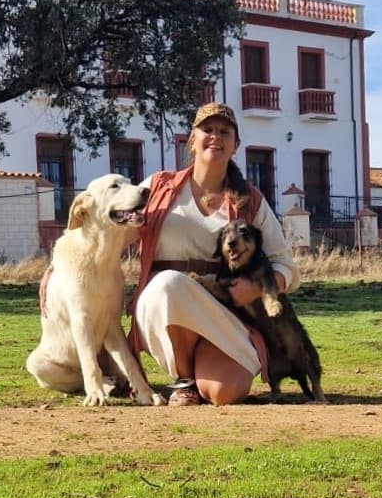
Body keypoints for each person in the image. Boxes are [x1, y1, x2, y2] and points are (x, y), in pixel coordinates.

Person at [128, 101, 300, 406]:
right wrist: (59, 266)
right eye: (207, 129)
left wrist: (258, 287)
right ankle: (184, 380)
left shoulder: (250, 201)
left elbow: (286, 266)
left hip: (225, 314)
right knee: (169, 283)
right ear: (192, 140)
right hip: (165, 310)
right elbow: (108, 231)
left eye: (224, 131)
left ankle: (201, 373)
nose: (215, 137)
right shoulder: (157, 188)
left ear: (236, 145)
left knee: (225, 393)